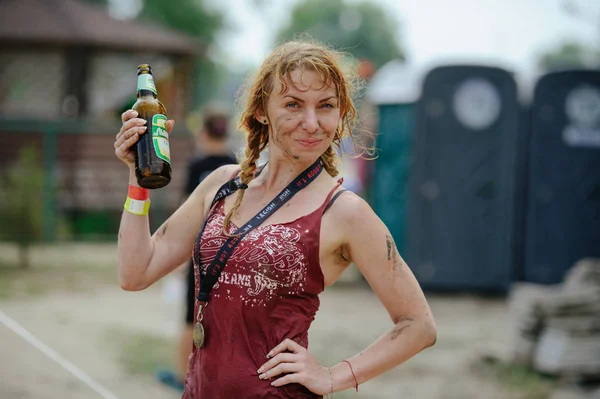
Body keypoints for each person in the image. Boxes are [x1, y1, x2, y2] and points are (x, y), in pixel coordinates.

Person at [114, 40, 437, 399]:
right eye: (293, 105)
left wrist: (333, 376)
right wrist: (137, 178)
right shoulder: (222, 185)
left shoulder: (344, 212)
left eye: (326, 106)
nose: (312, 123)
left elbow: (418, 325)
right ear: (261, 111)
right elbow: (135, 272)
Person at [156, 108, 237, 392]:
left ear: (203, 132)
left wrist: (179, 260)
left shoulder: (196, 166)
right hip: (230, 253)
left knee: (191, 319)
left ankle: (183, 378)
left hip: (200, 255)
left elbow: (186, 214)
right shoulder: (236, 165)